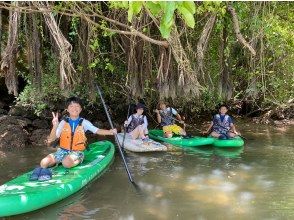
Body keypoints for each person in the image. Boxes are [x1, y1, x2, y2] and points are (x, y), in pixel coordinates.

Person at [30, 97, 117, 181]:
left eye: (77, 106)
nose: (74, 108)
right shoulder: (63, 122)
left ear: (81, 109)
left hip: (77, 152)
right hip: (62, 151)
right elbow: (53, 138)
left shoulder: (84, 122)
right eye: (71, 106)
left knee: (66, 163)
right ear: (67, 109)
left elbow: (97, 130)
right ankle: (55, 164)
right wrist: (55, 125)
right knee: (43, 162)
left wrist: (110, 132)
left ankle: (78, 160)